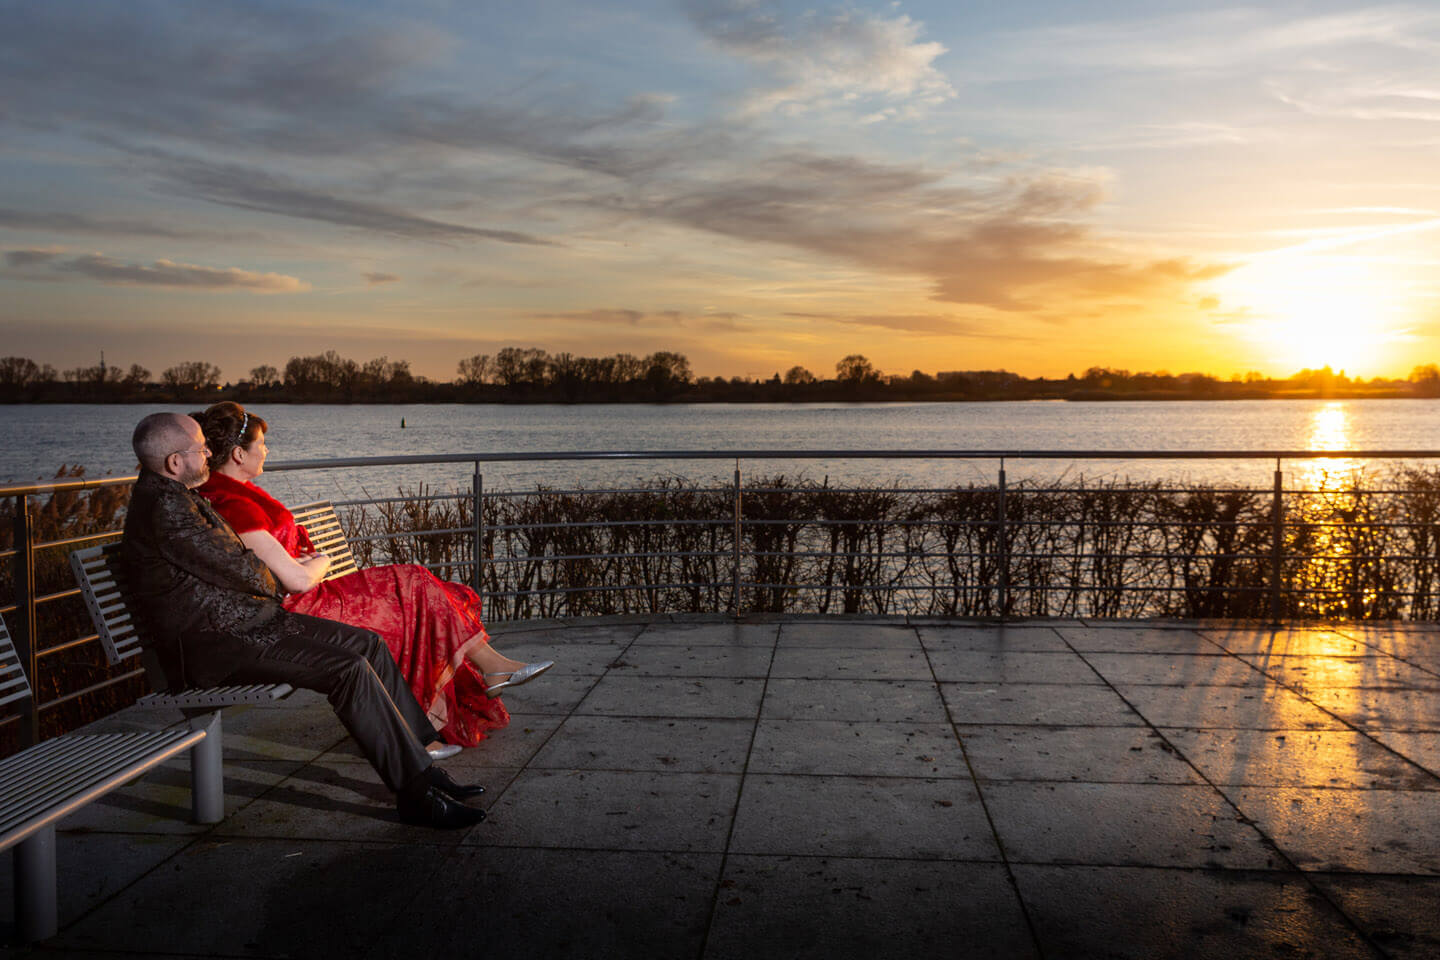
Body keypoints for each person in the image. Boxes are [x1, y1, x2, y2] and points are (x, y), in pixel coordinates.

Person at [121, 412, 486, 829]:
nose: (208, 454)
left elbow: (238, 566)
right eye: (201, 449)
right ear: (173, 463)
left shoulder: (175, 495)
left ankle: (422, 761)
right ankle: (416, 796)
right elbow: (246, 569)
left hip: (247, 625)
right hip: (213, 647)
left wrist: (267, 573)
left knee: (367, 644)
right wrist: (276, 573)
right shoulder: (168, 510)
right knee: (347, 669)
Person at [190, 401, 552, 748]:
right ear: (239, 455)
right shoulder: (234, 505)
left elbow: (282, 564)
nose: (266, 451)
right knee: (414, 586)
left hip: (310, 598)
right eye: (262, 444)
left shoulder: (236, 495)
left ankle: (474, 683)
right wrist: (323, 559)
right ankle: (467, 689)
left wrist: (307, 563)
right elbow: (296, 580)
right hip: (301, 609)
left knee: (420, 588)